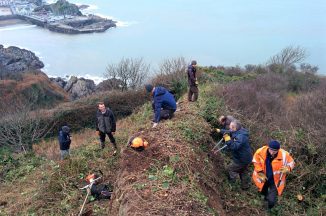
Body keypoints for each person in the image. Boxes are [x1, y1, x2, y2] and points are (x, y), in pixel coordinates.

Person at [252, 140, 294, 209]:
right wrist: (260, 172)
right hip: (264, 177)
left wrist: (288, 168)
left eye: (274, 151)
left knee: (271, 201)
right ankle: (264, 199)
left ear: (278, 150)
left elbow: (292, 163)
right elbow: (256, 161)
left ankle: (268, 208)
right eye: (271, 150)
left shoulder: (284, 155)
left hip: (276, 181)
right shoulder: (261, 151)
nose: (272, 152)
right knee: (263, 191)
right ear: (268, 147)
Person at [217, 120, 252, 189]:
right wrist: (220, 130)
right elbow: (229, 132)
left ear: (234, 128)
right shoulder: (239, 131)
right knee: (243, 171)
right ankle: (245, 186)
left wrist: (227, 138)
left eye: (230, 127)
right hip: (246, 158)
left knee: (230, 169)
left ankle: (232, 184)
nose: (229, 129)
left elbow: (234, 147)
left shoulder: (241, 137)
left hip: (242, 159)